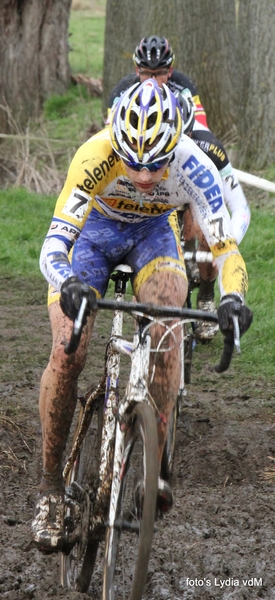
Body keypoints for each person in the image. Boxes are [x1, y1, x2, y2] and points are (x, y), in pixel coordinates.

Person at [31, 79, 252, 552]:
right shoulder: (95, 154)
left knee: (171, 316)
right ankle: (50, 490)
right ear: (118, 144)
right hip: (92, 236)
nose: (145, 176)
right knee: (68, 348)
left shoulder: (194, 165)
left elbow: (225, 247)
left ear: (176, 146)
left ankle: (155, 454)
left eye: (156, 165)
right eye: (133, 163)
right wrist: (67, 281)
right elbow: (54, 244)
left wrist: (233, 297)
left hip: (153, 234)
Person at [107, 35, 251, 341]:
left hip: (185, 180)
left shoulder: (198, 139)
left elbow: (240, 208)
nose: (153, 79)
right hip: (151, 186)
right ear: (136, 69)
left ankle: (207, 296)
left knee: (200, 233)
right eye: (146, 73)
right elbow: (114, 135)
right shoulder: (124, 92)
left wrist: (223, 247)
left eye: (159, 73)